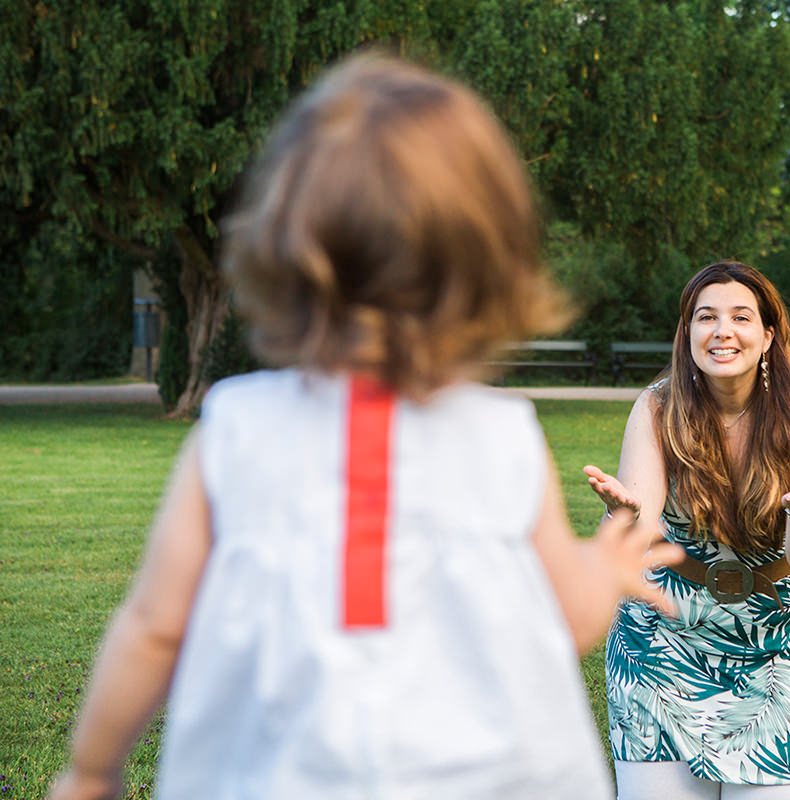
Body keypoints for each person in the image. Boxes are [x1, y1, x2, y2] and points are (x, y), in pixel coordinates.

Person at [48, 53, 683, 800]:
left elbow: (156, 625)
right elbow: (560, 623)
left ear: (280, 248)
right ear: (490, 263)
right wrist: (603, 572)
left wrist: (92, 770)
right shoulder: (501, 438)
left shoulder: (236, 431)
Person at [584, 261, 790, 799]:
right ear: (687, 332)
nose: (722, 331)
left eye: (741, 317)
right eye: (705, 317)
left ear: (767, 335)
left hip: (782, 641)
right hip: (666, 639)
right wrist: (621, 516)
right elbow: (638, 522)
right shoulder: (657, 406)